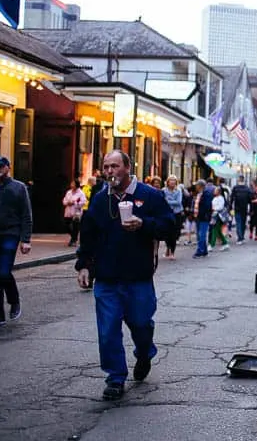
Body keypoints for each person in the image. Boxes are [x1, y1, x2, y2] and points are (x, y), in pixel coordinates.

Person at [75, 150, 175, 400]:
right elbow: (88, 235)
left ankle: (144, 353)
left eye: (115, 166)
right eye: (106, 167)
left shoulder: (149, 196)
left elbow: (170, 227)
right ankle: (115, 378)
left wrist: (144, 225)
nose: (110, 171)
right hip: (107, 278)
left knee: (141, 324)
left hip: (138, 277)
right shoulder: (100, 200)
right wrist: (84, 264)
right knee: (108, 330)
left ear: (128, 167)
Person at [0, 156, 32, 327]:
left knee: (3, 272)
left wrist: (25, 239)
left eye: (0, 166)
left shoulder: (18, 188)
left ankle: (14, 300)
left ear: (8, 168)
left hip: (9, 235)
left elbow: (26, 215)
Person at [161, 176, 183, 259]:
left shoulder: (178, 190)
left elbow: (178, 202)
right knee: (166, 233)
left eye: (174, 180)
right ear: (168, 182)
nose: (173, 182)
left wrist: (168, 201)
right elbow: (162, 201)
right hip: (166, 213)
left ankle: (172, 253)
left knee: (174, 233)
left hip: (176, 213)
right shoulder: (163, 190)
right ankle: (168, 248)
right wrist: (170, 201)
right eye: (171, 180)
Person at [62, 179, 87, 248]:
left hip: (76, 212)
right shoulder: (68, 192)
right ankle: (73, 237)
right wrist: (67, 203)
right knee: (66, 225)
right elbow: (64, 200)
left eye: (73, 183)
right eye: (71, 183)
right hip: (68, 211)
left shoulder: (81, 193)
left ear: (76, 185)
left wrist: (74, 203)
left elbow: (83, 202)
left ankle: (73, 240)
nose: (71, 185)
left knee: (75, 226)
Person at [230, 176, 253, 245]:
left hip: (237, 208)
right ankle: (241, 237)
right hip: (244, 209)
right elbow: (250, 200)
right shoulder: (247, 189)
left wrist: (230, 207)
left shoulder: (235, 188)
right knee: (243, 223)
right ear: (244, 180)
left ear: (238, 180)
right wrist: (251, 209)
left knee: (238, 223)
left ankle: (240, 238)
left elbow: (231, 198)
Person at [192, 180, 211, 258]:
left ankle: (199, 251)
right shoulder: (199, 194)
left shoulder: (206, 194)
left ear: (200, 186)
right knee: (199, 235)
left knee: (202, 235)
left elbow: (207, 206)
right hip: (198, 217)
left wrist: (204, 214)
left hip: (203, 217)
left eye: (197, 185)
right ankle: (204, 251)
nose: (196, 187)